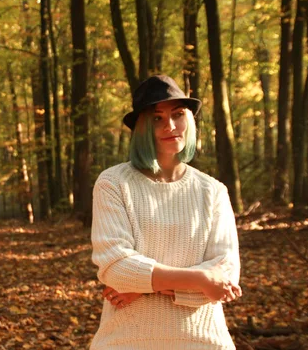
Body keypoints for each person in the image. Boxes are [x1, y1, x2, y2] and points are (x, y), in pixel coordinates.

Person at [90, 75, 242, 349]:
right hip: (126, 341)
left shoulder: (213, 191)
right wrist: (199, 279)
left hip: (204, 341)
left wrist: (143, 285)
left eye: (178, 114)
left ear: (190, 120)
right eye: (157, 118)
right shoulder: (113, 183)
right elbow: (115, 267)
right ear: (140, 127)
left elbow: (225, 276)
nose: (170, 126)